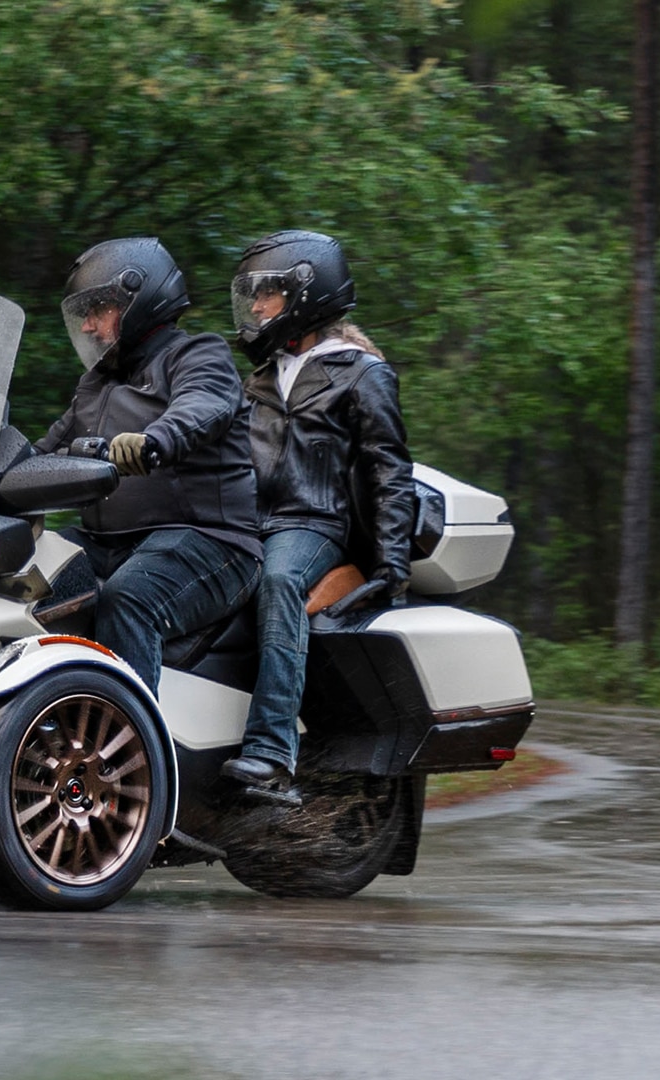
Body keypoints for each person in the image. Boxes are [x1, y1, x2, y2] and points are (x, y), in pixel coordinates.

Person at [220, 230, 417, 804]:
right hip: (247, 525)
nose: (255, 308)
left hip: (312, 525)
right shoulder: (258, 380)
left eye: (268, 294)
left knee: (280, 581)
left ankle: (272, 753)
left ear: (307, 295)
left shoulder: (360, 373)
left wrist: (391, 563)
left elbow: (389, 470)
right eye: (252, 295)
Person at [34, 237, 262, 693]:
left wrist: (154, 440)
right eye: (85, 316)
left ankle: (135, 748)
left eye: (100, 310)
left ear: (140, 300)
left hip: (211, 542)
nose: (90, 326)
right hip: (108, 542)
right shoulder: (94, 384)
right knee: (28, 575)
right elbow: (43, 452)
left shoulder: (199, 355)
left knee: (129, 598)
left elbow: (203, 406)